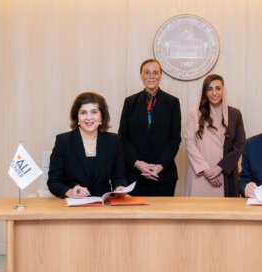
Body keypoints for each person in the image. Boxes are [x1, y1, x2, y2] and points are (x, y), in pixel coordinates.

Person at [118, 59, 181, 196]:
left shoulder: (172, 103)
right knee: (134, 216)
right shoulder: (130, 102)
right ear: (141, 75)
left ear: (161, 76)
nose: (151, 76)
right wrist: (138, 164)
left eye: (155, 72)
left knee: (162, 216)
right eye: (147, 72)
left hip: (163, 176)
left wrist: (160, 165)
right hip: (134, 174)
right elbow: (123, 137)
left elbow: (174, 139)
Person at [48, 92, 128, 198]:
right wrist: (69, 192)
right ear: (77, 116)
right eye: (83, 112)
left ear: (101, 116)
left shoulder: (113, 141)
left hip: (104, 204)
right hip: (74, 205)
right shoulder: (63, 141)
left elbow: (119, 176)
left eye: (94, 112)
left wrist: (120, 187)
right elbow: (54, 182)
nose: (89, 117)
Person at [185, 74, 246, 197]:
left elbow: (239, 145)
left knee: (225, 212)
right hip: (200, 173)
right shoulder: (195, 113)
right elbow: (189, 142)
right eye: (209, 89)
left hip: (224, 172)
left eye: (218, 88)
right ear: (204, 92)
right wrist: (206, 170)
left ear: (223, 90)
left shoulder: (235, 114)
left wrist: (219, 168)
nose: (214, 93)